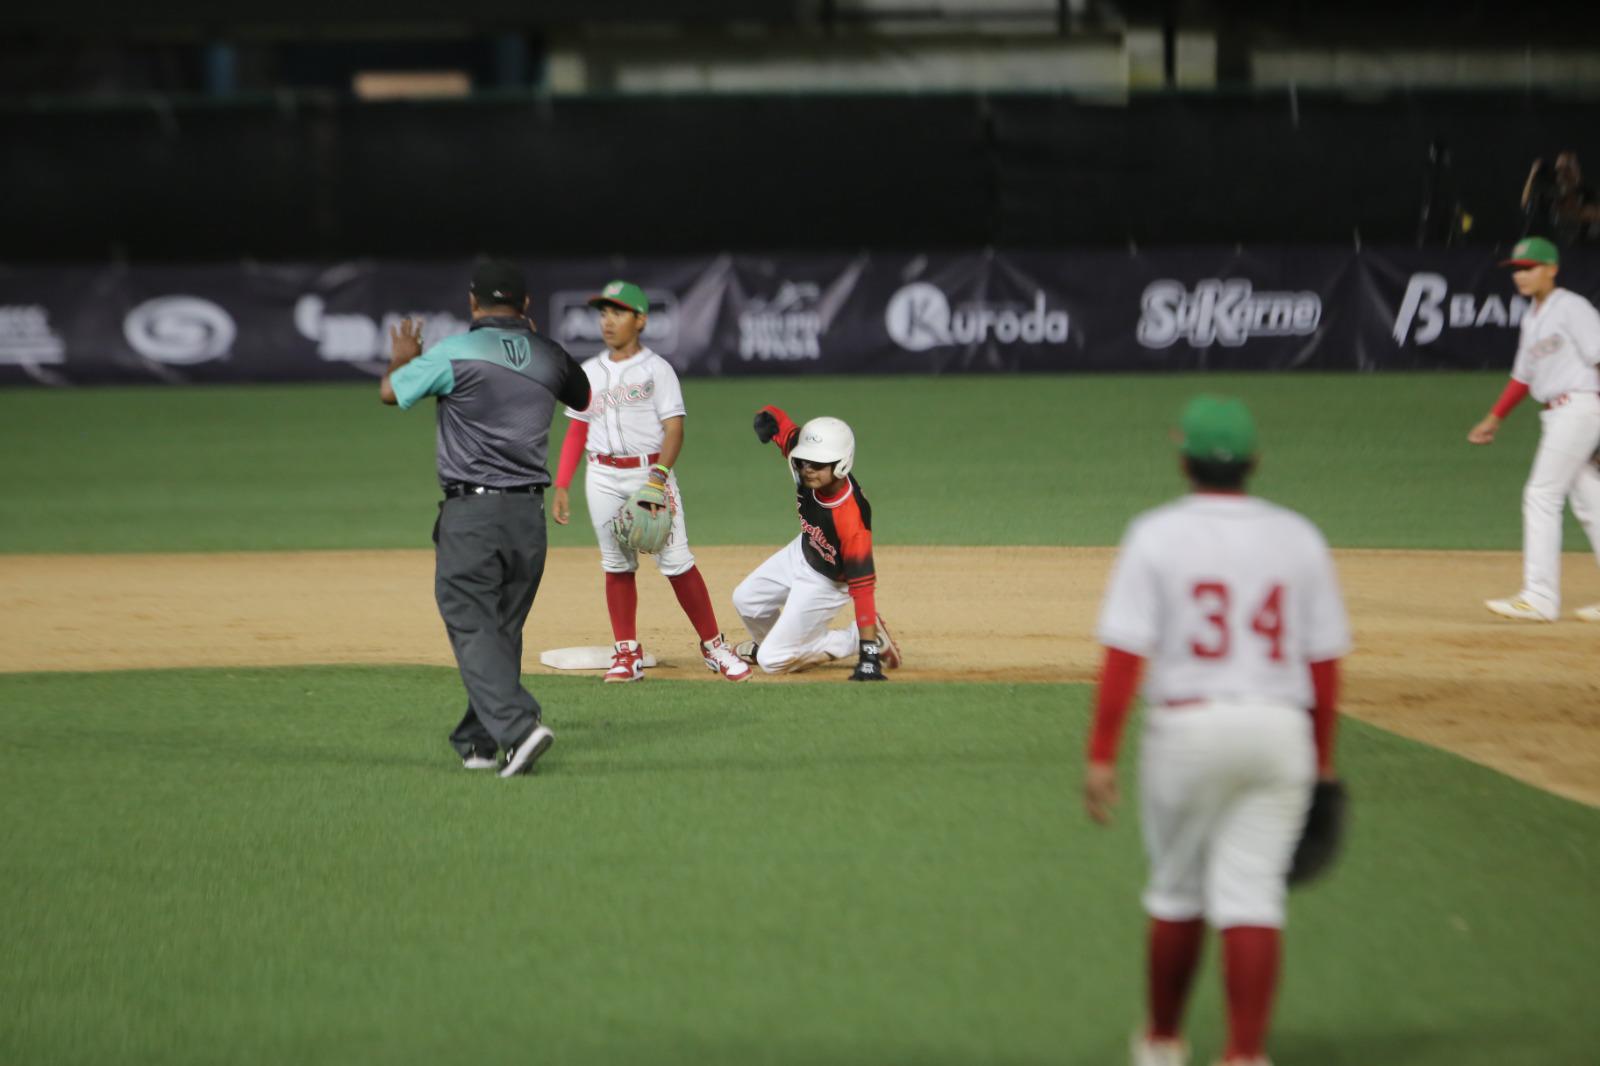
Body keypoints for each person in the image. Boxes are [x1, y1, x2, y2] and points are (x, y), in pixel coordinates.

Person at [1085, 395, 1350, 1066]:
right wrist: (1321, 764)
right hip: (1278, 731)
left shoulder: (1156, 533)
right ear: (1255, 462)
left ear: (1183, 459)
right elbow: (1323, 666)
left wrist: (1101, 755)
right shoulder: (1298, 536)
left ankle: (1164, 1042)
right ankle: (1243, 1055)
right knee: (1253, 898)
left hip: (1188, 733)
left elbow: (1124, 654)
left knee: (1178, 890)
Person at [380, 259, 590, 777]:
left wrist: (402, 360)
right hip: (528, 517)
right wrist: (537, 346)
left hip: (473, 514)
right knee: (500, 630)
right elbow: (583, 396)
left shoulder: (455, 352)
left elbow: (390, 393)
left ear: (473, 303)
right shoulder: (548, 355)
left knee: (470, 620)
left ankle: (519, 729)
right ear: (527, 306)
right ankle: (478, 740)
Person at [550, 279, 751, 683]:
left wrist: (658, 478)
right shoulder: (587, 372)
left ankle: (713, 646)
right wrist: (562, 484)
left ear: (640, 320)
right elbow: (576, 431)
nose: (608, 321)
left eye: (618, 312)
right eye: (603, 313)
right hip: (602, 475)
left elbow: (674, 429)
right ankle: (627, 652)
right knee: (616, 565)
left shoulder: (658, 370)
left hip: (649, 473)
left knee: (677, 563)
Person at [1467, 236, 1600, 623]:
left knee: (1542, 494)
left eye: (1530, 268)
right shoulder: (1533, 317)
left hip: (1580, 407)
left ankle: (1539, 596)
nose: (1522, 276)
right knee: (1591, 506)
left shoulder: (1572, 308)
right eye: (1517, 270)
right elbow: (1523, 377)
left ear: (1552, 269)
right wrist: (1494, 419)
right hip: (1562, 414)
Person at [732, 406, 900, 679]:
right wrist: (769, 417)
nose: (807, 469)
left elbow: (863, 587)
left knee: (771, 662)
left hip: (827, 582)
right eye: (803, 462)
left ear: (841, 463)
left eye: (817, 464)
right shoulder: (805, 461)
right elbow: (784, 428)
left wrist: (869, 654)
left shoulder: (851, 518)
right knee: (746, 600)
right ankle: (778, 644)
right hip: (803, 550)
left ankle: (855, 638)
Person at [1521, 151, 1600, 247]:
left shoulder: (1587, 193)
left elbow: (1592, 214)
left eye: (1567, 169)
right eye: (1559, 169)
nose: (1562, 173)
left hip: (1586, 250)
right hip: (1557, 249)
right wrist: (1532, 175)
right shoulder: (1551, 194)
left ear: (1576, 170)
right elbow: (1526, 204)